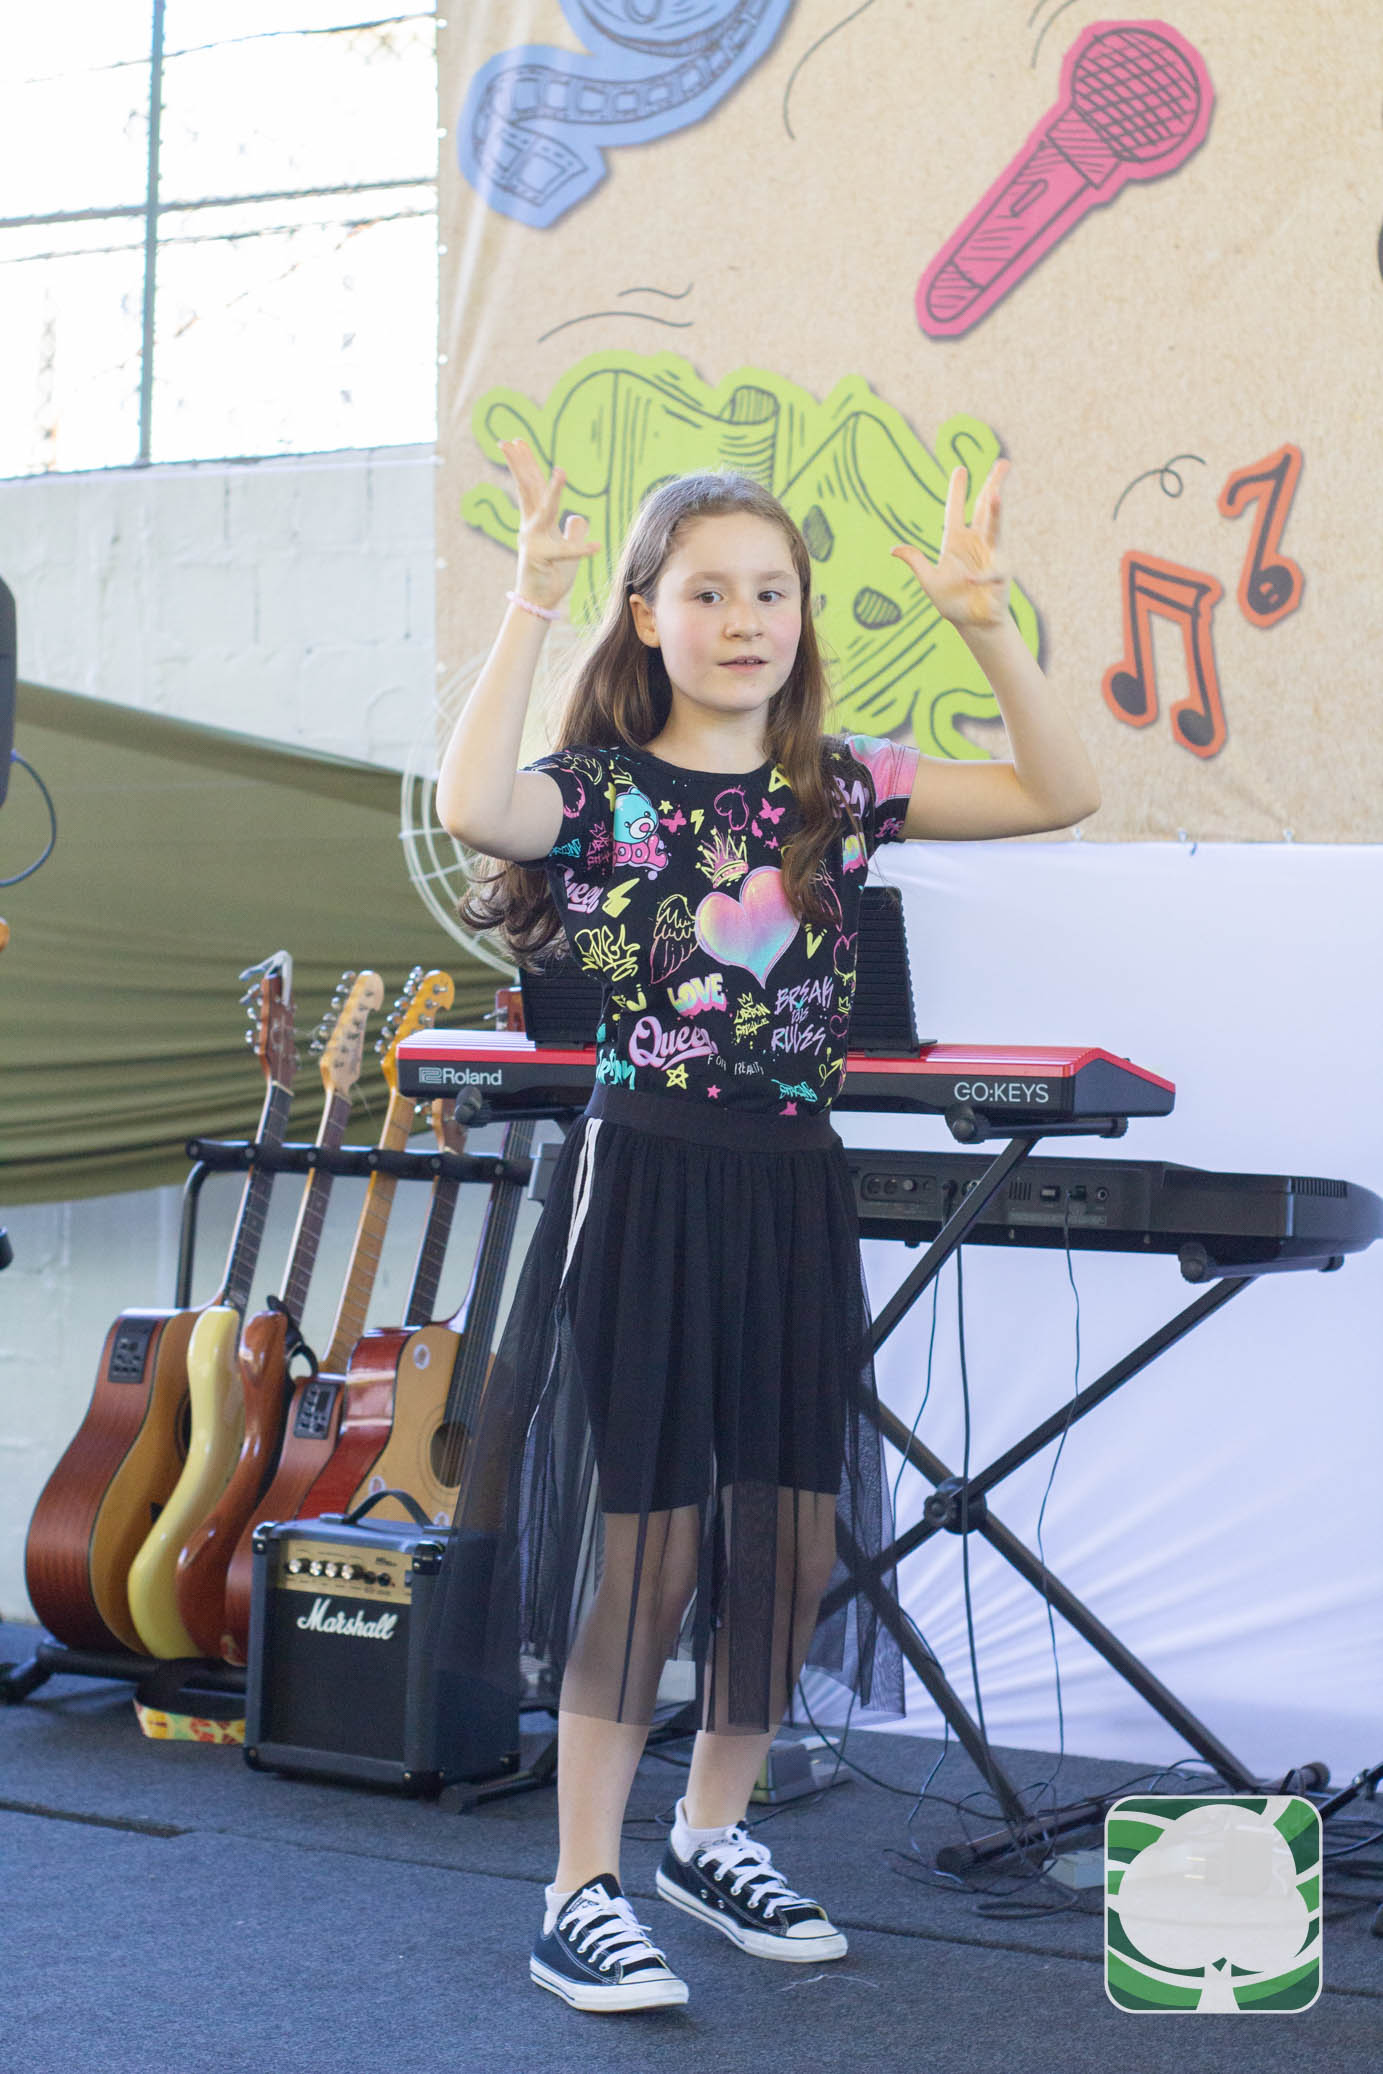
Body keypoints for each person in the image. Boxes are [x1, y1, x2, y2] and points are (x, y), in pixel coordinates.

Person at [431, 438, 1100, 2013]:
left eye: (773, 592)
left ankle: (709, 1833)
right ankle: (579, 1885)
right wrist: (525, 604)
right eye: (709, 592)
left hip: (794, 1177)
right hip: (650, 1176)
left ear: (804, 612)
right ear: (646, 616)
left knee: (791, 1537)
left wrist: (987, 623)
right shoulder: (600, 791)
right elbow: (472, 802)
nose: (746, 620)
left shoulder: (841, 787)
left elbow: (1063, 790)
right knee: (653, 1538)